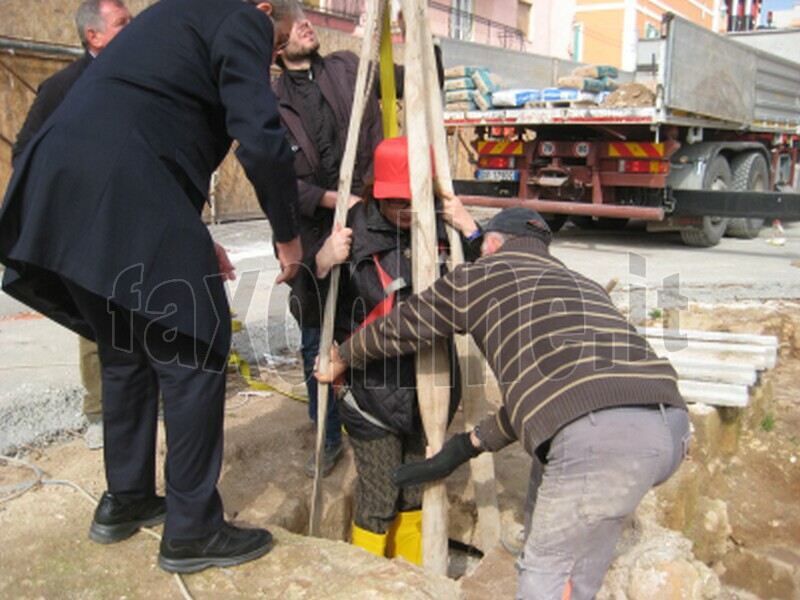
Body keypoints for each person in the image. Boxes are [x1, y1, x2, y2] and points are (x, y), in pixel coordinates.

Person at [0, 0, 303, 574]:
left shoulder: (173, 16)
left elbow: (156, 124)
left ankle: (127, 498)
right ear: (265, 9)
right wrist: (288, 236)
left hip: (66, 184)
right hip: (120, 184)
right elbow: (259, 137)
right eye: (278, 41)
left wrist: (188, 230)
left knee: (124, 351)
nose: (275, 53)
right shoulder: (240, 17)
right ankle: (193, 530)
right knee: (194, 345)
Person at [317, 207, 690, 598]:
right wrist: (467, 445)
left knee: (544, 568)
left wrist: (342, 356)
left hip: (598, 438)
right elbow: (551, 401)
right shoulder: (583, 285)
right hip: (670, 427)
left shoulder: (482, 275)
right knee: (574, 527)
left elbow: (405, 324)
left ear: (492, 243)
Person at [311, 136, 481, 562]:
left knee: (415, 491)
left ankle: (407, 578)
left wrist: (472, 232)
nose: (402, 211)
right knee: (378, 495)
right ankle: (368, 581)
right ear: (376, 194)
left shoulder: (445, 231)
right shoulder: (353, 233)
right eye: (392, 202)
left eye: (410, 201)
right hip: (371, 393)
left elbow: (493, 282)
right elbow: (310, 308)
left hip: (432, 389)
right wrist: (321, 263)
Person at [11, 0, 132, 450]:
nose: (132, 29)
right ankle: (101, 413)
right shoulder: (62, 88)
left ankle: (145, 401)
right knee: (95, 323)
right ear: (93, 36)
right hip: (86, 230)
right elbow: (25, 155)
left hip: (134, 222)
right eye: (122, 23)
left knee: (143, 312)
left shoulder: (141, 82)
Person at [272, 15, 384, 477]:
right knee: (317, 336)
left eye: (306, 17)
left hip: (367, 220)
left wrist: (377, 35)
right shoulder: (268, 102)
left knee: (374, 326)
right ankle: (328, 434)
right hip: (312, 233)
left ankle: (376, 425)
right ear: (276, 45)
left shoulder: (345, 68)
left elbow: (393, 90)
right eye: (292, 21)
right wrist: (334, 199)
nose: (304, 24)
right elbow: (274, 181)